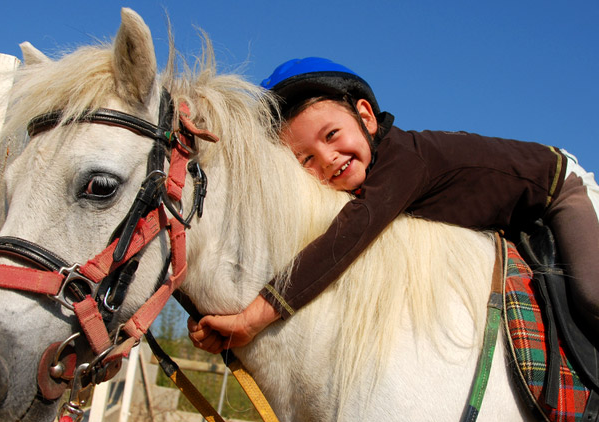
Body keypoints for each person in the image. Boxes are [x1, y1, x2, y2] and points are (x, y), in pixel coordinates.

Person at [188, 57, 599, 354]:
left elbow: (345, 239)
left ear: (365, 116)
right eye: (305, 159)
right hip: (511, 219)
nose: (327, 158)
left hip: (558, 191)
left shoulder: (404, 161)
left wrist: (253, 318)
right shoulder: (364, 180)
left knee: (593, 300)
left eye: (331, 135)